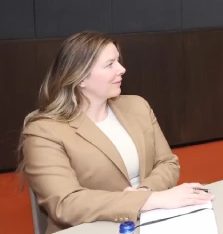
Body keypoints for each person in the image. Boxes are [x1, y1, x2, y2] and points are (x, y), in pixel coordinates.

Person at [19, 31, 212, 234]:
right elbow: (65, 203)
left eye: (118, 61)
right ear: (80, 78)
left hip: (151, 219)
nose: (122, 69)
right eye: (110, 64)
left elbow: (167, 162)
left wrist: (145, 192)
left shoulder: (138, 106)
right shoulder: (43, 130)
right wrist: (146, 200)